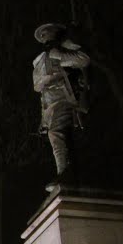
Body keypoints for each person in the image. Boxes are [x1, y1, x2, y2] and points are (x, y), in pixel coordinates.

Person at [32, 23, 90, 181]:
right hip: (48, 105)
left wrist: (68, 48)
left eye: (49, 33)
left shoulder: (57, 52)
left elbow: (83, 60)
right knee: (63, 137)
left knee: (56, 134)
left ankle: (63, 174)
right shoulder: (40, 59)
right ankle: (68, 174)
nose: (45, 36)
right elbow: (38, 86)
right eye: (43, 35)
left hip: (62, 100)